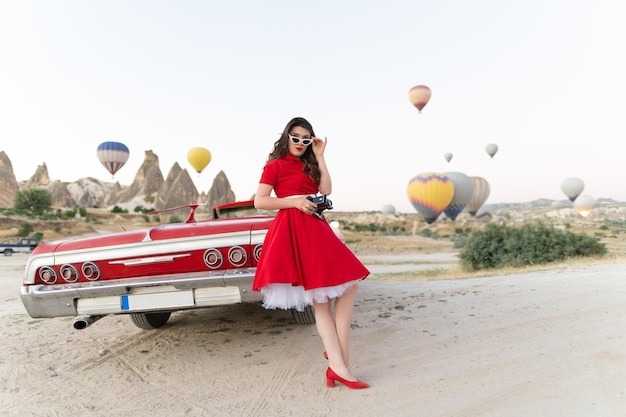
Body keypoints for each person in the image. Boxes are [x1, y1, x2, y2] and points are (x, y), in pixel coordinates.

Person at [253, 117, 370, 389]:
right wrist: (294, 202)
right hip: (295, 229)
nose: (300, 143)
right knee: (321, 298)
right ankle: (340, 366)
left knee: (348, 286)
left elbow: (326, 189)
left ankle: (338, 362)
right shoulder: (275, 166)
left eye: (306, 139)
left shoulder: (311, 162)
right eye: (296, 137)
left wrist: (319, 156)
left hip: (317, 227)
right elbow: (260, 200)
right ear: (287, 136)